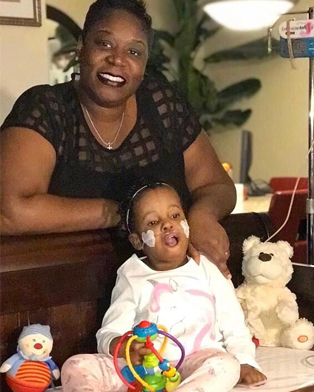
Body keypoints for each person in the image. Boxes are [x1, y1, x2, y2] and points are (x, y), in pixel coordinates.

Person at [0, 0, 235, 276]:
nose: (118, 60)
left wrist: (202, 215)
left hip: (173, 290)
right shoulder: (46, 108)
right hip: (65, 289)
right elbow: (9, 211)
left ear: (144, 64)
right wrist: (126, 214)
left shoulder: (163, 105)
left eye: (134, 51)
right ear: (81, 47)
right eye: (105, 44)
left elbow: (217, 185)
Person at [61, 180, 267, 392]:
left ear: (187, 225)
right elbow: (110, 331)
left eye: (175, 216)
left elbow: (234, 323)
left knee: (227, 366)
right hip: (144, 371)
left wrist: (244, 360)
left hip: (196, 362)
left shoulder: (207, 268)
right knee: (75, 366)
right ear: (137, 241)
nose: (167, 224)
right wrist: (122, 346)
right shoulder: (131, 275)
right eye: (152, 223)